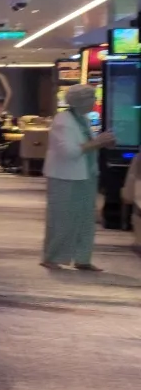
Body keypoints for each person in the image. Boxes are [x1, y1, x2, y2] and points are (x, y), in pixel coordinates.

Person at [42, 84, 115, 271]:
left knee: (86, 219)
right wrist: (97, 142)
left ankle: (83, 259)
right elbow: (69, 152)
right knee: (62, 219)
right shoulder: (62, 121)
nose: (94, 101)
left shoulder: (82, 119)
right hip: (65, 176)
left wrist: (101, 144)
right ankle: (52, 257)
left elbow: (86, 146)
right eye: (91, 98)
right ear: (80, 101)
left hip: (86, 175)